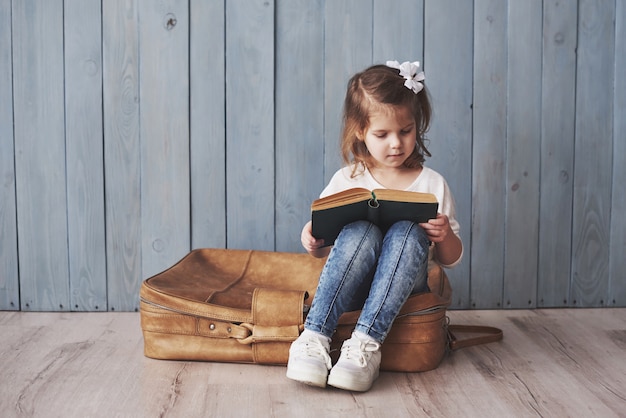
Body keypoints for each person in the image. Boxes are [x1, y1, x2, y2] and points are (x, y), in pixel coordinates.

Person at [285, 60, 463, 392]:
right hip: (349, 289)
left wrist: (445, 236)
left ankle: (364, 346)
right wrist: (311, 239)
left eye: (405, 131)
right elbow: (321, 245)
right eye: (382, 134)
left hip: (405, 292)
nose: (396, 143)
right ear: (360, 131)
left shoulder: (432, 183)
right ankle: (314, 337)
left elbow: (450, 259)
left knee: (407, 232)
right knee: (360, 231)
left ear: (417, 125)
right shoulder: (347, 179)